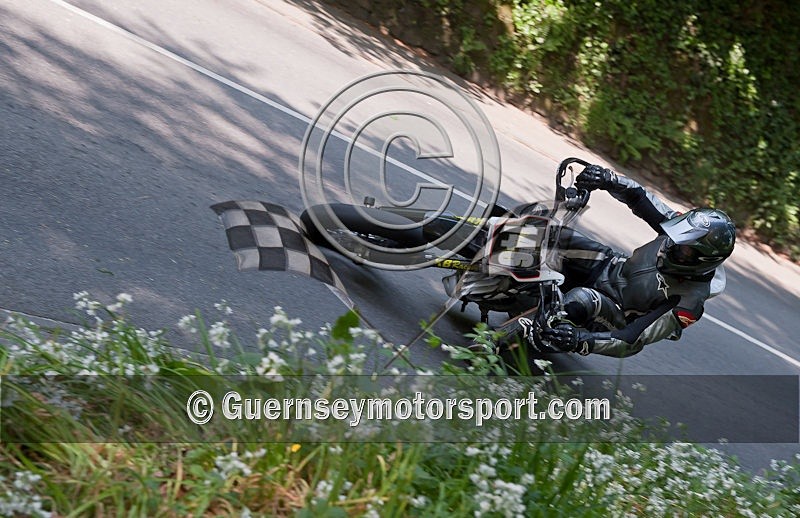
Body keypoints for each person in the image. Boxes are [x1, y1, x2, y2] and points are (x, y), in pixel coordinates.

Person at [522, 164, 736, 357]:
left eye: (685, 249)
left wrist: (580, 340)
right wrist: (607, 179)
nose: (672, 244)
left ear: (703, 260)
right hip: (610, 268)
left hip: (615, 313)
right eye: (677, 235)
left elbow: (632, 339)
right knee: (548, 233)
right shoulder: (678, 229)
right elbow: (638, 197)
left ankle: (535, 335)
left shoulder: (689, 303)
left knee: (582, 298)